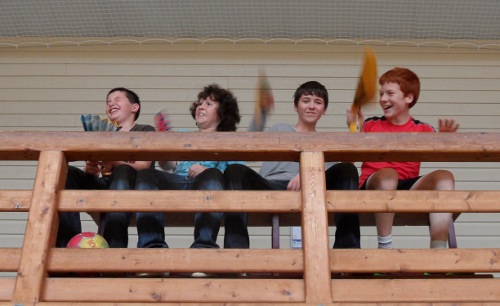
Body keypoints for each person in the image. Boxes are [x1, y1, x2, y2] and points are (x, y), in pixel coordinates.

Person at [223, 81, 361, 249]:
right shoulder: (280, 128)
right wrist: (262, 112)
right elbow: (249, 149)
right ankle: (236, 252)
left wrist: (353, 127)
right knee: (234, 170)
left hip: (312, 188)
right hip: (271, 185)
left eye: (318, 102)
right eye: (306, 100)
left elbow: (348, 168)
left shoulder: (326, 140)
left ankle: (348, 249)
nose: (311, 106)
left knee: (347, 170)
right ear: (296, 106)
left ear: (324, 110)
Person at [347, 67, 459, 249]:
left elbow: (441, 152)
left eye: (390, 93)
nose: (383, 99)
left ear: (409, 98)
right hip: (374, 185)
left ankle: (438, 252)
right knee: (388, 175)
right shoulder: (370, 125)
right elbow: (350, 162)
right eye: (381, 94)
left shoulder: (424, 129)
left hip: (407, 186)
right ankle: (385, 248)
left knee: (445, 177)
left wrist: (444, 141)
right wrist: (353, 130)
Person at [134, 84, 241, 251]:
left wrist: (209, 172)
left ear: (223, 112)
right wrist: (164, 145)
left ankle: (203, 247)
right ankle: (152, 246)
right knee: (147, 175)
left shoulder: (230, 140)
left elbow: (235, 176)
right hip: (178, 183)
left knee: (212, 175)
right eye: (200, 103)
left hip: (208, 186)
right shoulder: (183, 133)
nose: (201, 107)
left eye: (208, 104)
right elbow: (168, 165)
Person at [56, 87, 155, 248]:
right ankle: (68, 244)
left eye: (117, 99)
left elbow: (144, 165)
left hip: (130, 186)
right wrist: (92, 171)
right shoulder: (102, 134)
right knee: (68, 173)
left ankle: (115, 247)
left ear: (134, 107)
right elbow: (99, 169)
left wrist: (115, 162)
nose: (111, 104)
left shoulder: (144, 130)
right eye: (108, 102)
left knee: (123, 171)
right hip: (104, 184)